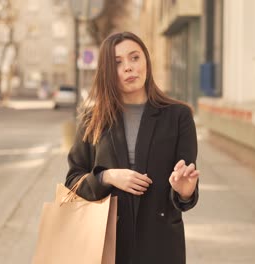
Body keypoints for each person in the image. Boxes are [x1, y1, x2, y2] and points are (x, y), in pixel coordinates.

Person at [65, 31, 200, 264]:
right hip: (106, 244)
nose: (128, 67)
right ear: (107, 72)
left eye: (134, 58)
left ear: (146, 61)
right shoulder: (92, 119)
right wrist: (107, 177)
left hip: (161, 245)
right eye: (117, 63)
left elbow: (186, 193)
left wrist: (184, 190)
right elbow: (73, 182)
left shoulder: (179, 116)